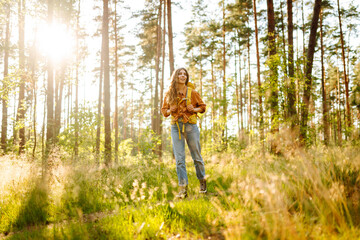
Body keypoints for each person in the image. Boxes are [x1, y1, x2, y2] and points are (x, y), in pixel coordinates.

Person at [161, 67, 207, 199]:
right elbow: (164, 111)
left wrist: (194, 109)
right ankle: (183, 189)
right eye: (180, 74)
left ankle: (202, 184)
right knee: (179, 159)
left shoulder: (192, 92)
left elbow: (203, 107)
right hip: (176, 127)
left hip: (191, 126)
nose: (183, 76)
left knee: (196, 157)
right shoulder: (169, 94)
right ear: (175, 77)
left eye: (184, 74)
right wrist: (171, 110)